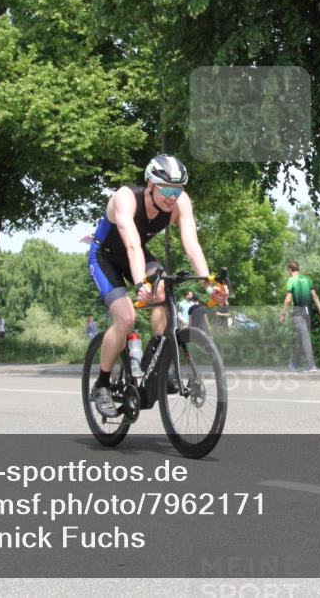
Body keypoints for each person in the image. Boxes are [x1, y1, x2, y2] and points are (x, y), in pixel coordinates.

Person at [87, 155, 227, 417]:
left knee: (163, 291)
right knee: (126, 317)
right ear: (149, 183)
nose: (173, 196)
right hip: (105, 256)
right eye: (167, 189)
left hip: (138, 254)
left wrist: (209, 283)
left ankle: (159, 363)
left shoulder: (180, 203)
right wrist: (141, 282)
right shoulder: (125, 198)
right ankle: (103, 383)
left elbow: (191, 244)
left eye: (178, 189)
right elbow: (131, 244)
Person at [280, 261, 320, 372]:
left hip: (298, 312)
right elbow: (315, 296)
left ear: (289, 270)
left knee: (304, 338)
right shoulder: (307, 279)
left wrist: (283, 314)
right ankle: (295, 363)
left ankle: (312, 366)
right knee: (301, 338)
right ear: (298, 268)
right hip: (308, 311)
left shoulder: (291, 280)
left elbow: (288, 300)